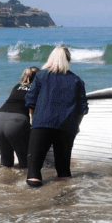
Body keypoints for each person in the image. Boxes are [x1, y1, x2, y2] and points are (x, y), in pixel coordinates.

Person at [24, 46, 88, 187]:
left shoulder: (41, 76)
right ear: (69, 60)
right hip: (67, 127)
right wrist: (75, 127)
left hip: (42, 124)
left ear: (50, 58)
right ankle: (63, 202)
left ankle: (34, 204)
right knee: (64, 171)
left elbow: (30, 102)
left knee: (34, 172)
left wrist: (34, 122)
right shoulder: (77, 80)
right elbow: (82, 109)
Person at [0, 66, 39, 168]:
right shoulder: (36, 88)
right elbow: (33, 111)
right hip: (16, 121)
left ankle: (3, 183)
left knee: (6, 163)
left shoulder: (17, 86)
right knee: (25, 163)